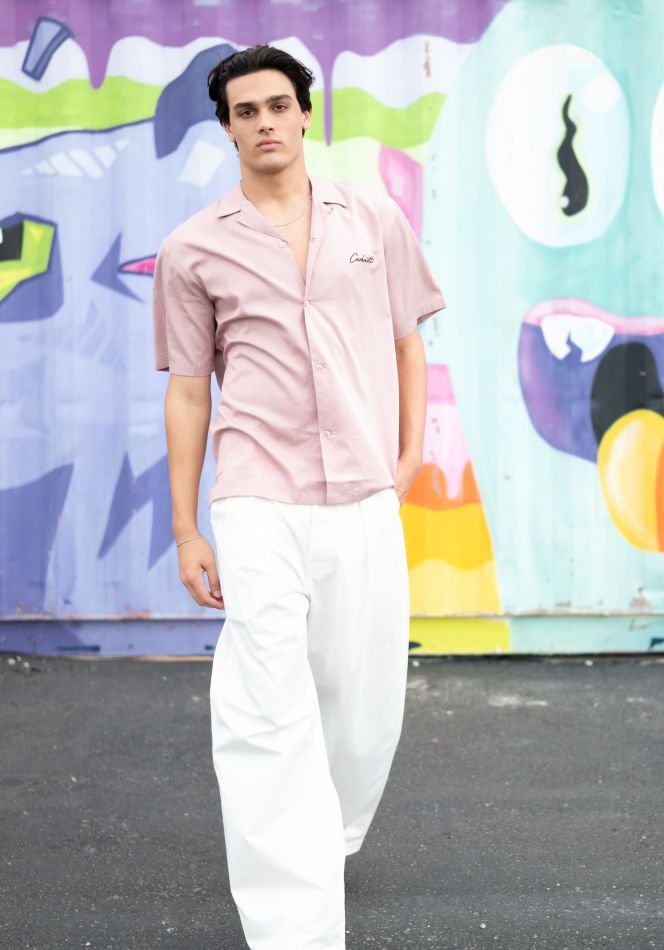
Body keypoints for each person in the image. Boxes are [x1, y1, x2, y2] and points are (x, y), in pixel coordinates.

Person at [152, 42, 446, 950]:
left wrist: (408, 455)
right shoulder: (193, 249)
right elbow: (189, 392)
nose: (265, 122)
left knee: (363, 699)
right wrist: (186, 528)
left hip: (362, 489)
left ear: (305, 113)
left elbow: (406, 341)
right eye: (246, 111)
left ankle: (331, 834)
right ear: (227, 128)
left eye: (278, 104)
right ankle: (294, 923)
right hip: (255, 496)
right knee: (266, 701)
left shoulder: (373, 218)